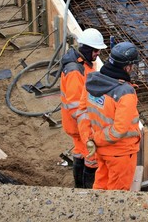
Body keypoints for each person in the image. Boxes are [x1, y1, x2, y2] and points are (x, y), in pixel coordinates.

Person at [85, 41, 141, 191]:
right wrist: (96, 139)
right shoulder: (125, 93)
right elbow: (119, 130)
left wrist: (93, 138)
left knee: (100, 187)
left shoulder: (94, 82)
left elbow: (87, 114)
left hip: (102, 150)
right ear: (127, 67)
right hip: (120, 153)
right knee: (117, 196)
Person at [60, 28, 107, 188]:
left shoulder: (83, 64)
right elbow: (75, 107)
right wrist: (90, 129)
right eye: (96, 50)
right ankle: (88, 192)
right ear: (86, 48)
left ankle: (79, 187)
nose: (98, 53)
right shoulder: (75, 71)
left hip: (76, 124)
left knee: (80, 153)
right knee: (91, 158)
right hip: (80, 125)